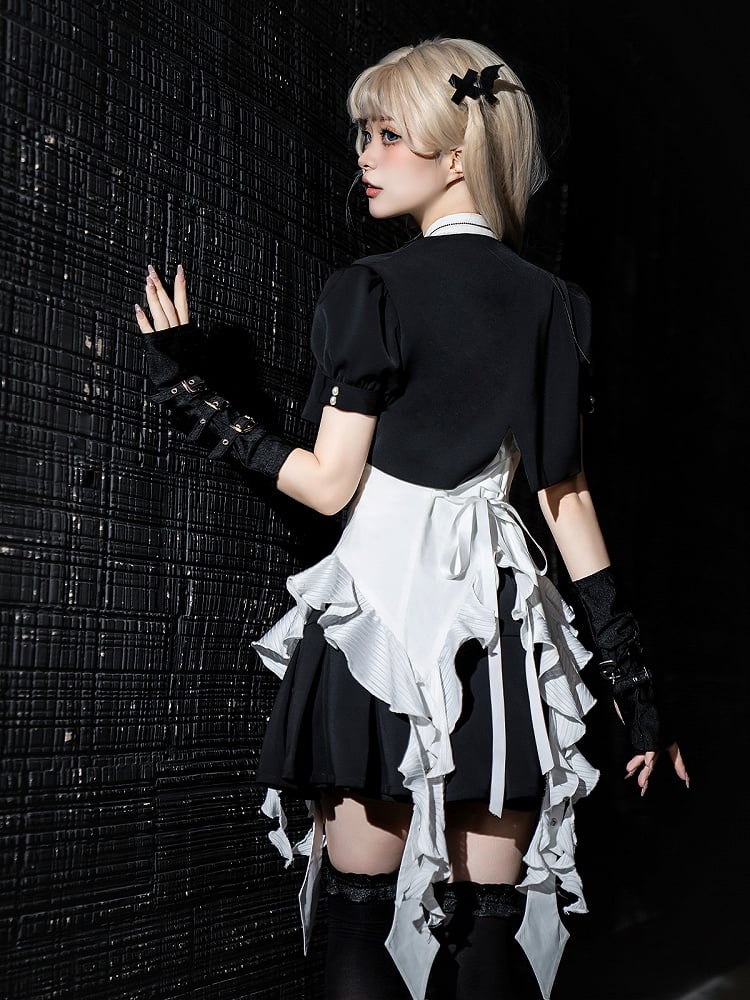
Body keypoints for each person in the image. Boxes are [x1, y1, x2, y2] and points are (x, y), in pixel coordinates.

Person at [133, 36, 689, 1000]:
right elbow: (566, 501)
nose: (365, 155)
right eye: (365, 135)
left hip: (380, 626)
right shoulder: (557, 306)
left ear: (458, 154)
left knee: (361, 916)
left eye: (389, 135)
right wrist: (634, 688)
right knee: (487, 928)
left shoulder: (372, 290)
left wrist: (195, 393)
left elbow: (328, 486)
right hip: (496, 632)